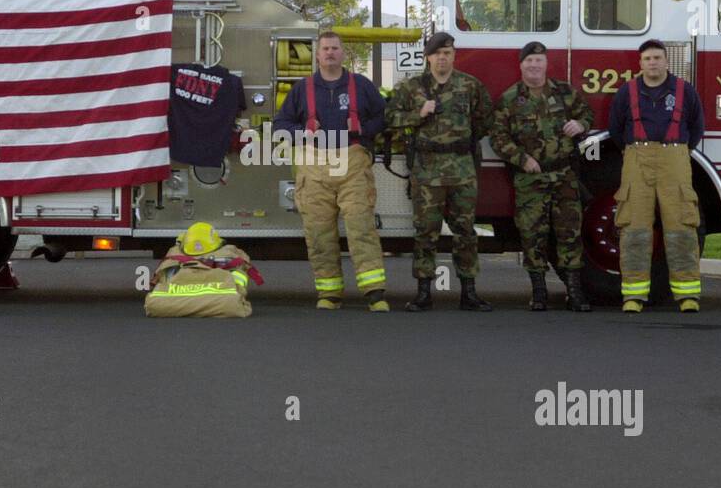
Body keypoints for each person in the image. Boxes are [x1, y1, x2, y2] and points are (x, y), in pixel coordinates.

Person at [274, 30, 389, 312]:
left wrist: (363, 129)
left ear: (343, 53)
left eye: (335, 48)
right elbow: (280, 125)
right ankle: (329, 293)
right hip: (314, 164)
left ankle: (375, 294)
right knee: (318, 232)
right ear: (317, 54)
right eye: (325, 49)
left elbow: (385, 117)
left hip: (352, 160)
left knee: (361, 226)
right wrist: (303, 132)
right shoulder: (302, 89)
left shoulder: (361, 85)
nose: (330, 53)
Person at [385, 31, 494, 312]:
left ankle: (469, 292)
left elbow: (485, 119)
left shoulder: (470, 86)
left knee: (466, 232)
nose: (442, 58)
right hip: (427, 169)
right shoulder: (412, 88)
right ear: (428, 56)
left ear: (454, 55)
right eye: (437, 53)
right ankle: (423, 293)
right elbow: (390, 118)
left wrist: (462, 141)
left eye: (447, 52)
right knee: (425, 232)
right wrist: (417, 114)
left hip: (461, 168)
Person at [491, 40, 594, 312]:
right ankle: (539, 292)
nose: (534, 65)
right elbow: (498, 138)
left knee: (569, 234)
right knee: (532, 236)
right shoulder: (510, 99)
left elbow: (587, 114)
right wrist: (522, 158)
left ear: (546, 64)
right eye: (529, 61)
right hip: (530, 180)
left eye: (539, 61)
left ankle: (575, 292)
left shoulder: (564, 92)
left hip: (564, 176)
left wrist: (581, 124)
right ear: (521, 65)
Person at [607, 39, 706, 313]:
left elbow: (697, 127)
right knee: (634, 230)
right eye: (648, 58)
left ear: (666, 61)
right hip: (637, 159)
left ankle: (687, 296)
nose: (653, 62)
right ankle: (633, 296)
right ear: (640, 63)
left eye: (657, 58)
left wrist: (674, 151)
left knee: (682, 229)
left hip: (675, 159)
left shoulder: (685, 91)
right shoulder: (626, 93)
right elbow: (616, 129)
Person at [144, 222, 261, 318]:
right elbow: (240, 283)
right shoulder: (231, 255)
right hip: (228, 301)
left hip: (166, 301)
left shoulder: (173, 257)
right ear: (218, 243)